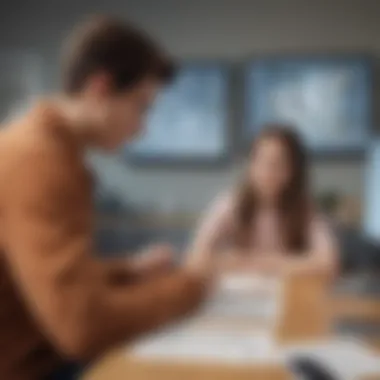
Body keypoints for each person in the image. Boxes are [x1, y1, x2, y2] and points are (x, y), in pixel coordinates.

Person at [0, 16, 211, 380]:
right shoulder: (38, 160)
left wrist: (126, 271)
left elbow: (39, 276)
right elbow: (81, 329)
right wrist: (193, 285)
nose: (142, 128)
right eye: (141, 106)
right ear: (100, 89)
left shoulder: (52, 149)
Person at [189, 125, 337, 276]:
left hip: (286, 295)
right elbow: (195, 259)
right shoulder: (231, 203)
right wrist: (291, 263)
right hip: (236, 294)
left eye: (278, 164)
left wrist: (251, 261)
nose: (267, 171)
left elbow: (328, 263)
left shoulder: (305, 209)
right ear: (250, 165)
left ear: (293, 170)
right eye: (261, 161)